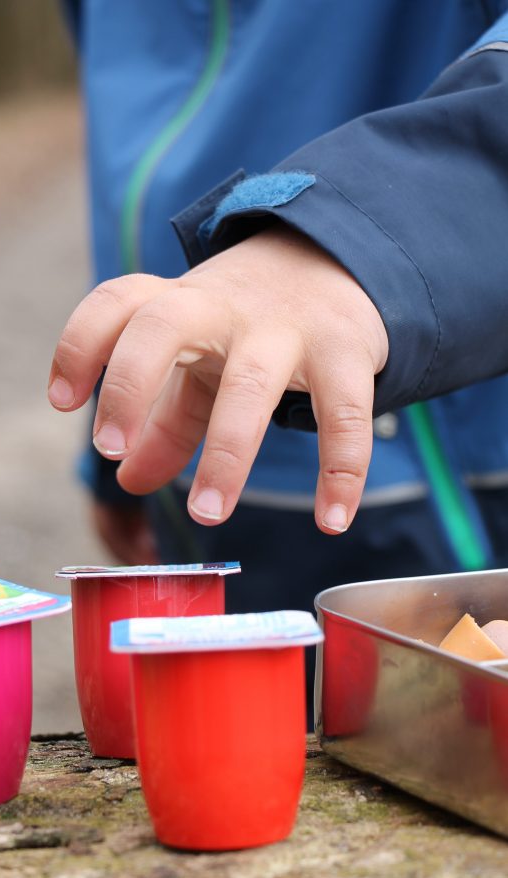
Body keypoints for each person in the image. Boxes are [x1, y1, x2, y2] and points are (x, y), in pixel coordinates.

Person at [51, 2, 508, 719]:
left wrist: (358, 246)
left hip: (436, 456)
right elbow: (137, 153)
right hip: (202, 452)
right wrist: (114, 429)